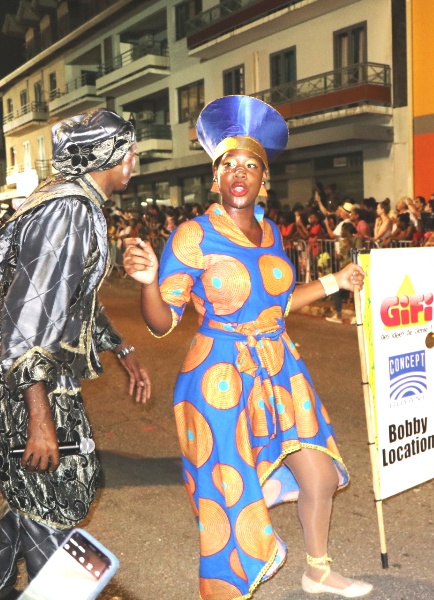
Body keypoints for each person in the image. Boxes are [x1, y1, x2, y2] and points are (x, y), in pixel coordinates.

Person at [123, 96, 372, 599]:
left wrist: (335, 281)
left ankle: (317, 570)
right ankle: (229, 581)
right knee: (230, 492)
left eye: (251, 165)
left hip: (279, 366)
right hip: (219, 378)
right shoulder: (192, 236)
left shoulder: (272, 232)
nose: (240, 173)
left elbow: (278, 303)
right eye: (229, 165)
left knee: (320, 475)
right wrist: (150, 285)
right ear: (215, 178)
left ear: (264, 178)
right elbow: (162, 322)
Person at [0, 109, 151, 598]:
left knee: (35, 484)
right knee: (57, 488)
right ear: (108, 156)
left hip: (20, 368)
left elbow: (70, 299)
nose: (134, 161)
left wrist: (120, 346)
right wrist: (40, 417)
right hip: (24, 375)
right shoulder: (69, 210)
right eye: (129, 151)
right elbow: (28, 319)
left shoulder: (71, 200)